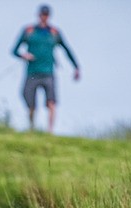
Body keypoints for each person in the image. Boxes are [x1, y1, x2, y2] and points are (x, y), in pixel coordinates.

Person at [12, 4, 80, 133]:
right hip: (32, 72)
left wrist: (76, 67)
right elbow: (14, 50)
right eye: (42, 14)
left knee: (51, 103)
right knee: (31, 104)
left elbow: (67, 49)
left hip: (49, 72)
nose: (44, 17)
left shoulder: (54, 33)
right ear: (39, 15)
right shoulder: (29, 31)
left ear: (49, 16)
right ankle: (32, 128)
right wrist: (23, 55)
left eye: (46, 15)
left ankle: (50, 132)